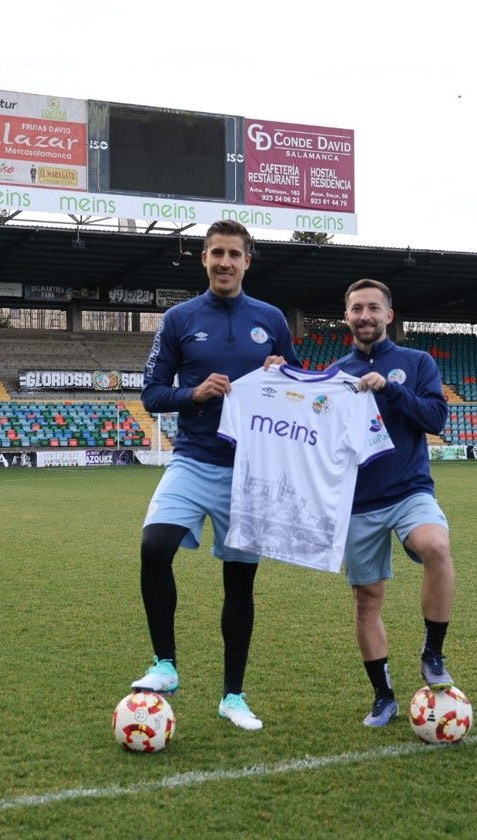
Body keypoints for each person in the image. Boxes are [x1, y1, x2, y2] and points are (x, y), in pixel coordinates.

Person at [131, 219, 300, 731]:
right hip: (192, 460)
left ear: (248, 261)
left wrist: (282, 372)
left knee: (239, 585)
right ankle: (165, 665)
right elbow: (152, 393)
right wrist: (194, 393)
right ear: (203, 259)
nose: (224, 261)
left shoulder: (271, 318)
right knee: (153, 548)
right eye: (215, 253)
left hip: (250, 473)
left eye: (234, 253)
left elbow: (297, 393)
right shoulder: (179, 319)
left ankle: (233, 695)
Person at [329, 278, 456, 727]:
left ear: (389, 315)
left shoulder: (416, 362)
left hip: (409, 491)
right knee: (368, 600)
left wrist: (390, 389)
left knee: (436, 547)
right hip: (359, 502)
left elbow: (437, 418)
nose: (364, 316)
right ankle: (383, 697)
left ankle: (433, 654)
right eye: (356, 309)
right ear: (346, 317)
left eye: (372, 308)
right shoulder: (333, 374)